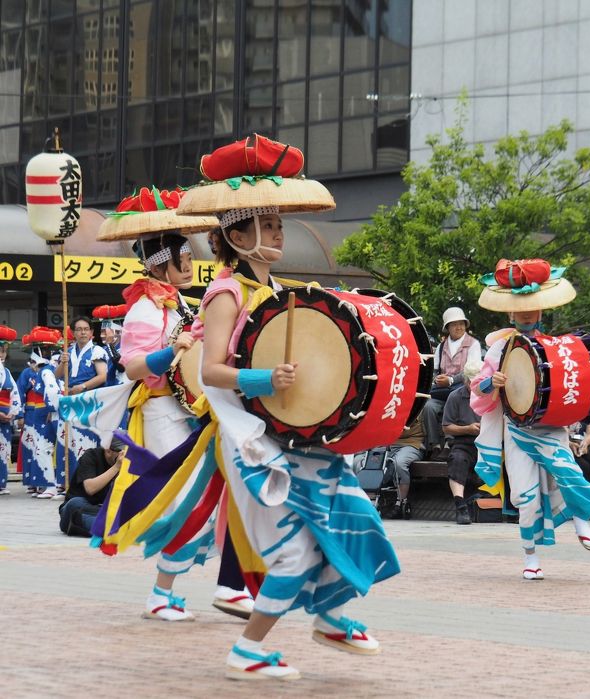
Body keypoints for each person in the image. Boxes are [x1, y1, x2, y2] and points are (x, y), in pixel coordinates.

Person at [192, 149, 399, 680]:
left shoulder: (278, 293)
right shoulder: (226, 292)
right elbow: (209, 370)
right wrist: (264, 379)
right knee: (291, 552)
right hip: (252, 442)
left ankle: (329, 616)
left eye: (279, 223)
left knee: (354, 518)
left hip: (296, 437)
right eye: (266, 224)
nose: (279, 233)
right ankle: (248, 648)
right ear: (237, 236)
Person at [90, 186, 250, 621]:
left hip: (186, 412)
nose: (191, 263)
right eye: (184, 256)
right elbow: (134, 367)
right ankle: (162, 593)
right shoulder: (144, 308)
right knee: (182, 502)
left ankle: (192, 587)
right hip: (161, 410)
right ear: (167, 260)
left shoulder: (177, 301)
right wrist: (170, 350)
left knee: (203, 498)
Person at [470, 259, 590, 581]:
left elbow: (569, 384)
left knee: (566, 471)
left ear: (541, 311)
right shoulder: (497, 350)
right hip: (518, 431)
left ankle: (580, 521)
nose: (527, 314)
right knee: (526, 496)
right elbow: (478, 392)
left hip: (549, 427)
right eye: (521, 309)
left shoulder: (554, 346)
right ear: (511, 314)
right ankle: (530, 557)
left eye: (533, 308)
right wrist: (494, 383)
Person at [54, 315, 108, 484]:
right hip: (70, 399)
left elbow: (102, 376)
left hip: (88, 400)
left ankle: (86, 481)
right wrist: (63, 363)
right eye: (79, 329)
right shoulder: (68, 352)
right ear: (73, 332)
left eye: (86, 329)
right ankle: (66, 482)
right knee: (67, 439)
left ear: (91, 332)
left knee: (86, 440)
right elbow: (57, 375)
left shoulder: (97, 351)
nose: (83, 333)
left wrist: (83, 387)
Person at [430, 307, 482, 450]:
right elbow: (434, 370)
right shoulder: (441, 347)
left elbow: (472, 371)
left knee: (455, 399)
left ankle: (450, 441)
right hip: (441, 390)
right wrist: (437, 379)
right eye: (454, 324)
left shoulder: (473, 344)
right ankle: (434, 444)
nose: (459, 327)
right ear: (447, 327)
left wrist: (451, 380)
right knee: (429, 407)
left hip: (462, 388)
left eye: (461, 323)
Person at [18, 329, 61, 499]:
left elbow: (52, 390)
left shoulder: (45, 371)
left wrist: (51, 409)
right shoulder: (44, 370)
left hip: (45, 413)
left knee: (44, 448)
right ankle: (48, 484)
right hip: (40, 412)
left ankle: (51, 485)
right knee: (42, 449)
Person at [442, 360, 482, 525]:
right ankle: (460, 506)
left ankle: (513, 508)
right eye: (471, 382)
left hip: (490, 444)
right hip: (464, 442)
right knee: (457, 459)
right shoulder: (455, 396)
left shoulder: (494, 394)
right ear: (465, 380)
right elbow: (446, 427)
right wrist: (468, 429)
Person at [59, 436, 125, 536]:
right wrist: (116, 467)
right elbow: (90, 488)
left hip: (102, 510)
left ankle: (109, 527)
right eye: (121, 451)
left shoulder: (129, 464)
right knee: (75, 503)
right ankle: (112, 528)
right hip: (78, 508)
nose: (124, 455)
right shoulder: (91, 456)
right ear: (108, 451)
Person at [0, 326, 21, 495]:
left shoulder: (6, 371)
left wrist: (12, 413)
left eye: (4, 351)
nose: (1, 354)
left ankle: (1, 482)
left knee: (3, 450)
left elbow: (15, 394)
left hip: (5, 417)